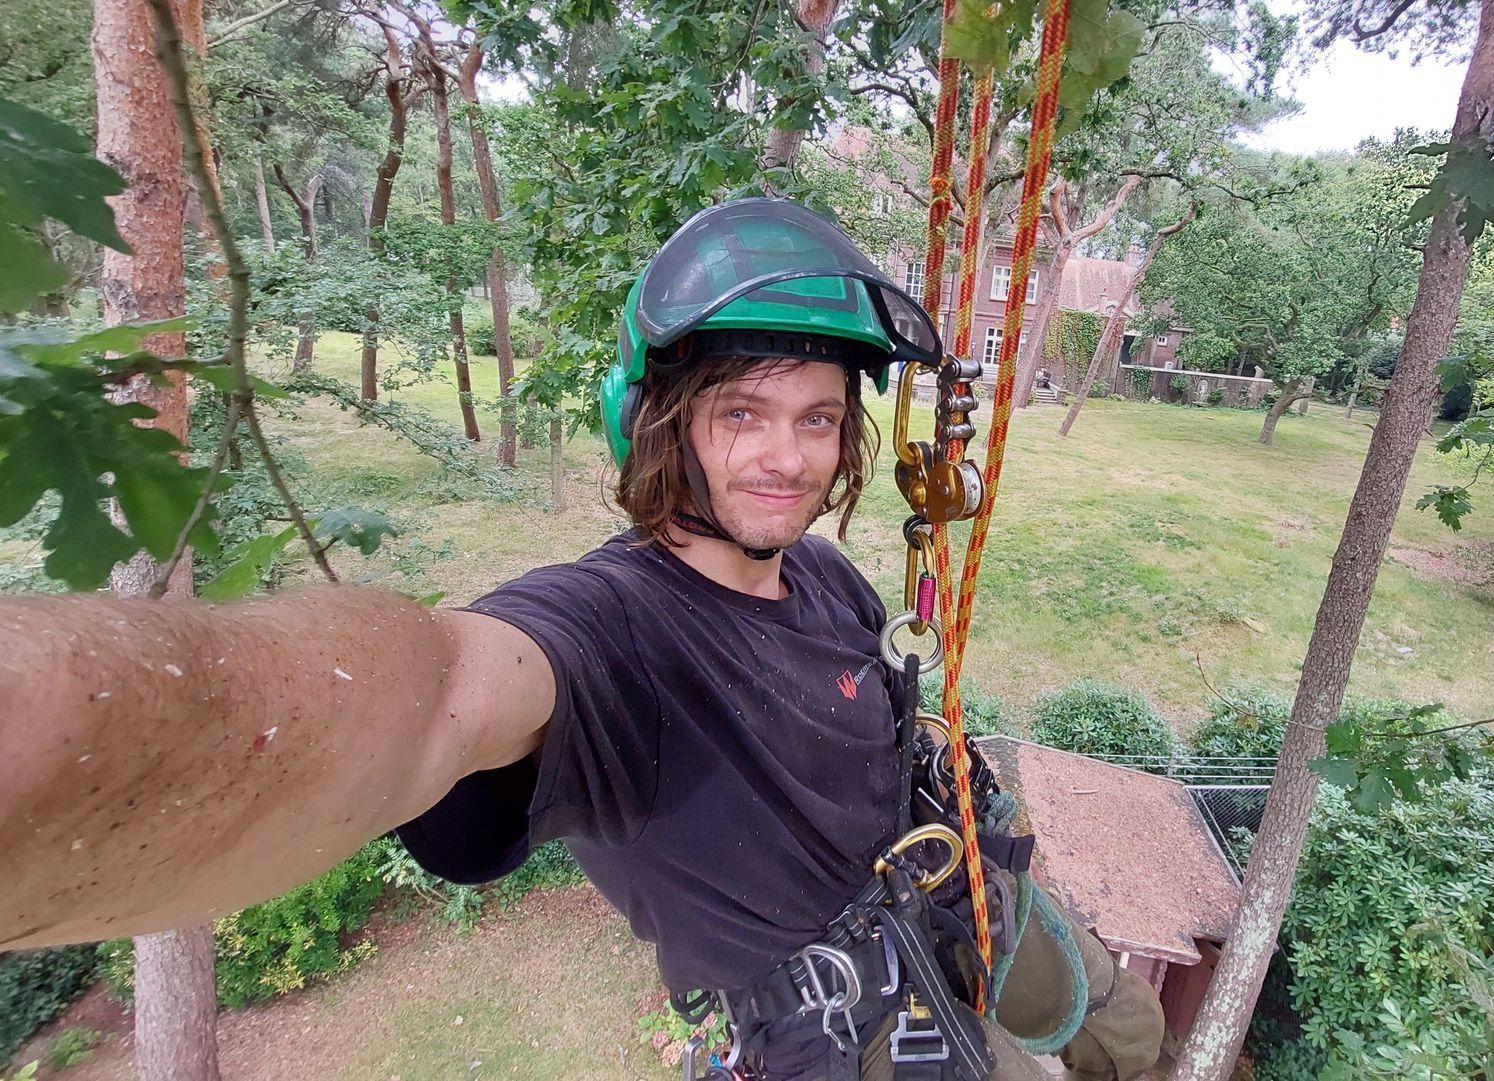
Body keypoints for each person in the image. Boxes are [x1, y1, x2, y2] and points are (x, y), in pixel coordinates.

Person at [0, 199, 1161, 1081]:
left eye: (816, 418)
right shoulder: (615, 637)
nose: (789, 457)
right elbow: (436, 690)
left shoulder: (823, 573)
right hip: (856, 1032)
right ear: (660, 424)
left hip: (960, 891)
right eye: (741, 412)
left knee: (1133, 1028)